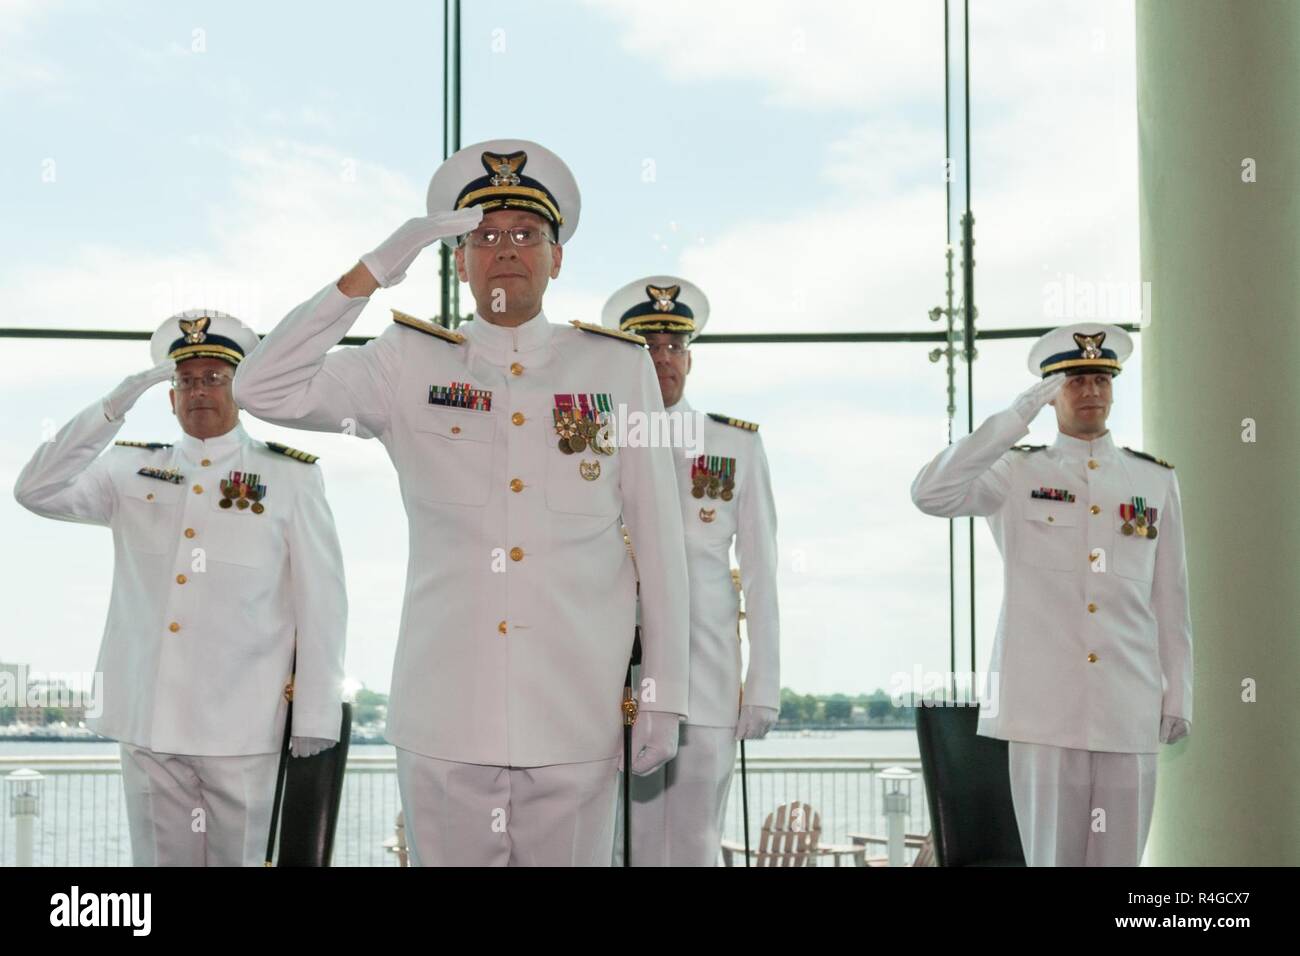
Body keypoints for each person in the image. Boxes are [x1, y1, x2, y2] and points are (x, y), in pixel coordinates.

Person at [232, 139, 690, 866]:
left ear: (556, 257)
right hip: (446, 715)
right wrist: (376, 268)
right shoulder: (406, 362)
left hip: (576, 716)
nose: (505, 250)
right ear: (458, 258)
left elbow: (661, 545)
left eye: (525, 235)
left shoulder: (617, 367)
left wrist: (664, 692)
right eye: (483, 237)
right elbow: (260, 389)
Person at [14, 310, 347, 866]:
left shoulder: (290, 478)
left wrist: (315, 714)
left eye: (215, 378)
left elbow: (323, 601)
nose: (200, 391)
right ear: (170, 399)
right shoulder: (128, 470)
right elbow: (35, 490)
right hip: (150, 721)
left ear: (240, 390)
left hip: (242, 727)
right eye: (187, 381)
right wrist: (110, 409)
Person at [910, 323, 1192, 866]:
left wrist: (1177, 694)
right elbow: (930, 493)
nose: (1090, 391)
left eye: (1101, 380)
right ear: (1050, 391)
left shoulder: (1153, 480)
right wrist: (1014, 419)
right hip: (1042, 713)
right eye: (1074, 380)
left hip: (1128, 707)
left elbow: (1171, 596)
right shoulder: (1015, 471)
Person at [603, 276, 780, 866]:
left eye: (674, 347)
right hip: (606, 677)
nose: (663, 359)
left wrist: (763, 684)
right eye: (648, 347)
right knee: (613, 840)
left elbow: (760, 572)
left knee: (695, 840)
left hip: (705, 677)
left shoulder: (734, 446)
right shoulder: (593, 442)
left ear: (691, 358)